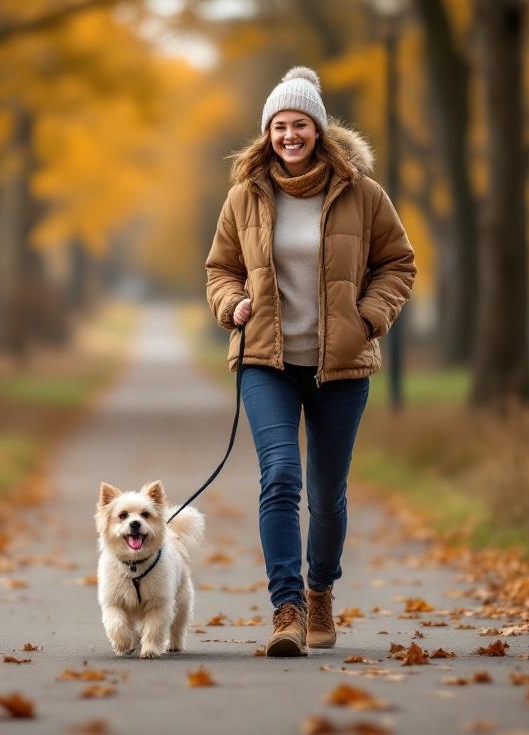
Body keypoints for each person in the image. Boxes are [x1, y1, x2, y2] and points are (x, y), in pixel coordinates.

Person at [205, 66, 416, 657]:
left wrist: (368, 318)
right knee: (280, 476)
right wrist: (230, 303)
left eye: (299, 124)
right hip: (265, 360)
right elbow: (219, 269)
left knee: (326, 493)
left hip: (340, 365)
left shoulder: (363, 194)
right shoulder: (244, 196)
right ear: (267, 132)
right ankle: (288, 609)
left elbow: (398, 263)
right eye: (279, 125)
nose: (289, 135)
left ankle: (320, 590)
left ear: (319, 129)